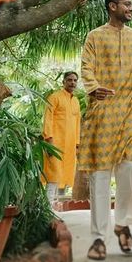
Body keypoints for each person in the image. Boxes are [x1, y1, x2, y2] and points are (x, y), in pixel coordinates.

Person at [78, 0, 132, 261]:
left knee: (131, 170)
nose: (131, 8)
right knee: (100, 177)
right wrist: (93, 87)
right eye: (126, 4)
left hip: (131, 115)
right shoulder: (95, 36)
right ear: (112, 7)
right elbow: (86, 67)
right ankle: (99, 238)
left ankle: (122, 224)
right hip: (103, 113)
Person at [42, 71, 81, 205]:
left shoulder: (75, 101)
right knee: (53, 176)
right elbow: (48, 118)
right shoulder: (55, 97)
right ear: (63, 82)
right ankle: (47, 209)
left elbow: (77, 123)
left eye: (75, 80)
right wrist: (49, 140)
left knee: (65, 176)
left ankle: (58, 210)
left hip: (70, 145)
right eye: (69, 80)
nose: (72, 83)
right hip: (55, 143)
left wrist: (77, 144)